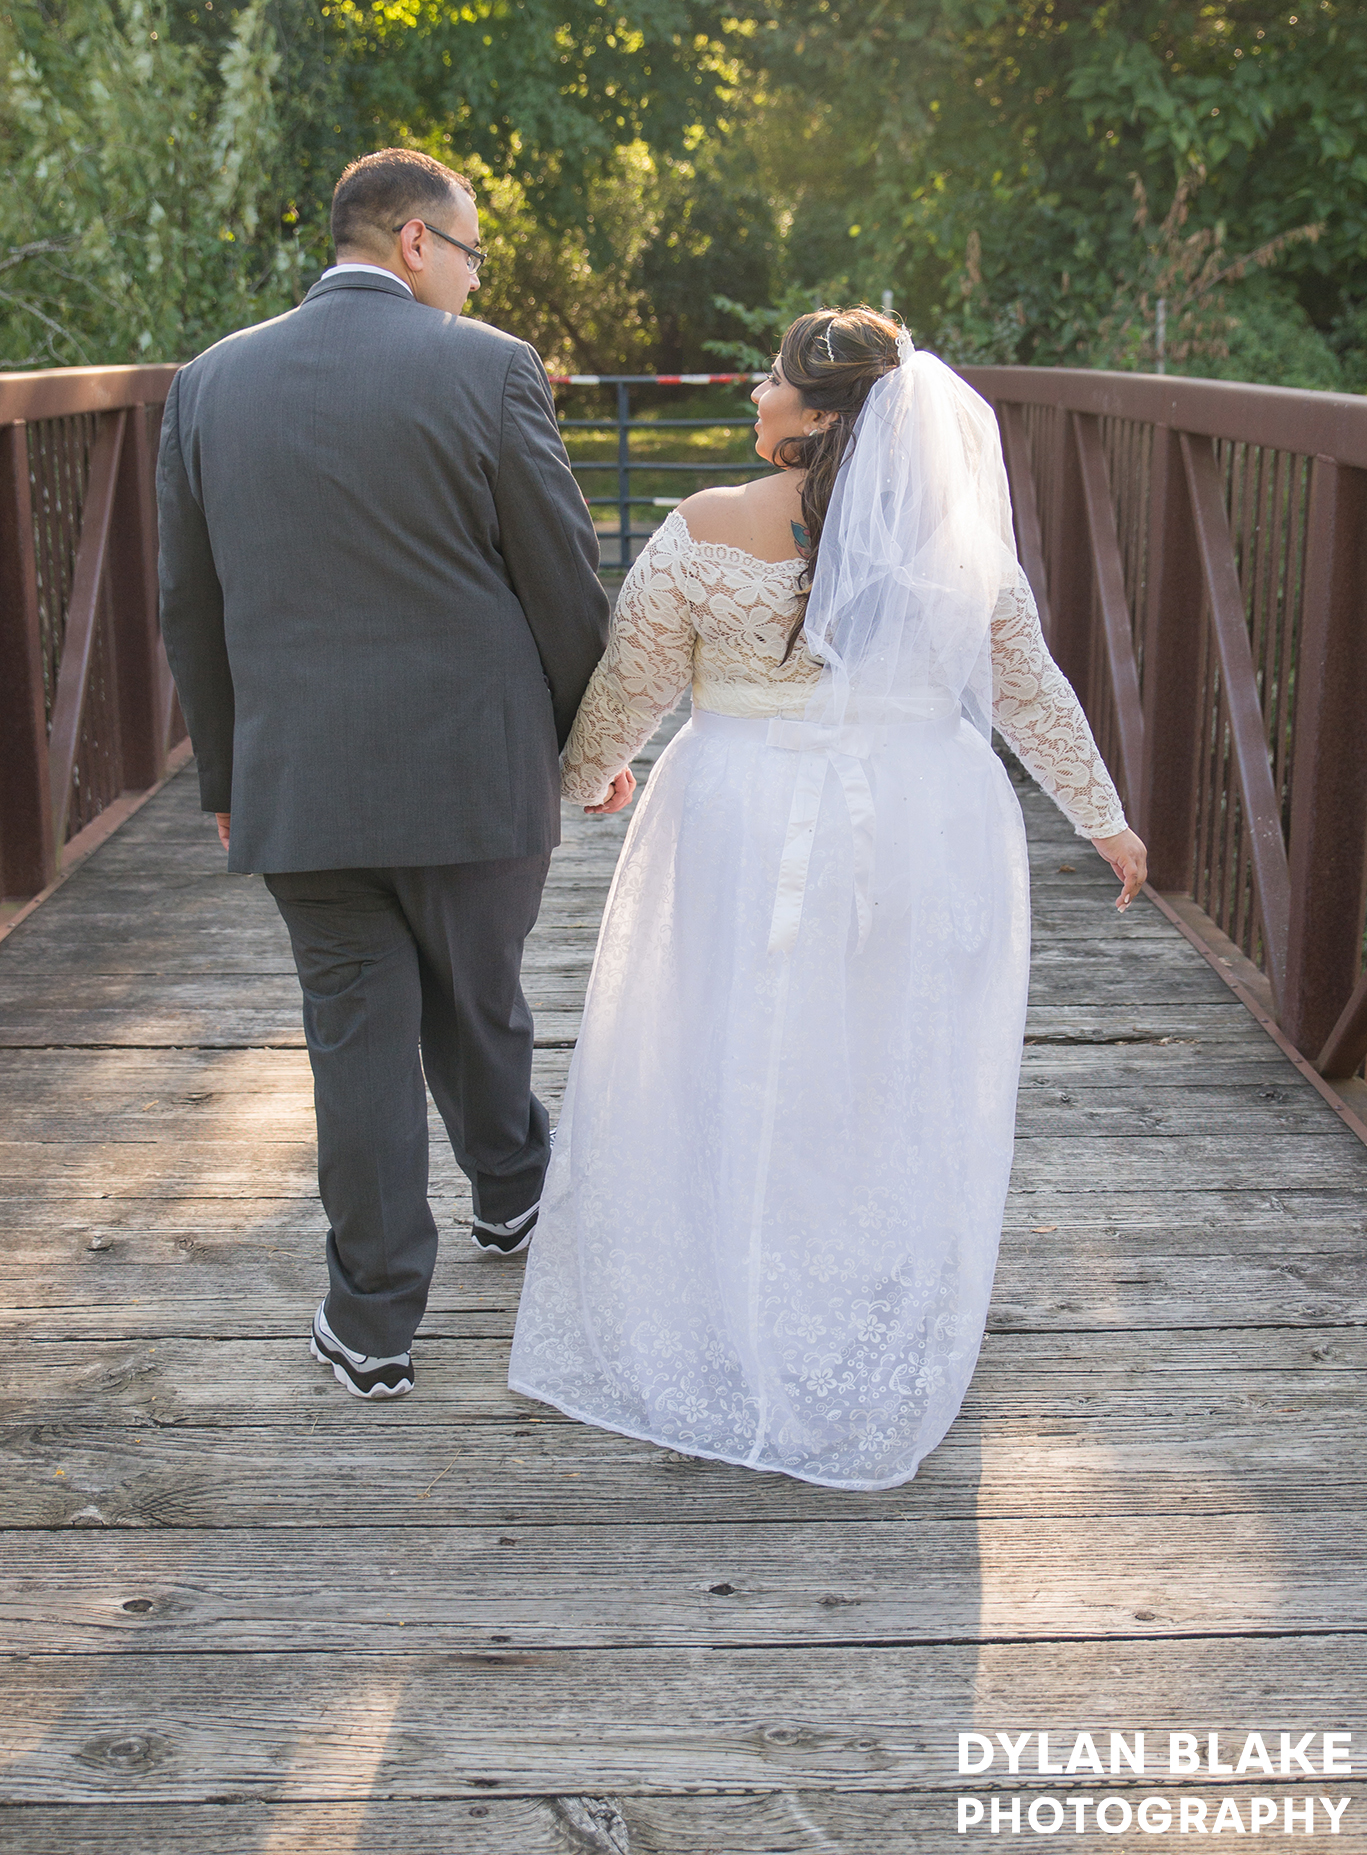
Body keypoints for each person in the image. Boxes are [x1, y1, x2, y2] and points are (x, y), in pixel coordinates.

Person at [508, 307, 1147, 1490]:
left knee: (731, 1034)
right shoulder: (950, 536)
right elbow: (1027, 685)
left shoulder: (703, 527)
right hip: (918, 825)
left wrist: (579, 777)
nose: (753, 391)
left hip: (745, 819)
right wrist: (1100, 814)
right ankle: (854, 1265)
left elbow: (627, 684)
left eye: (770, 379)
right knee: (873, 1050)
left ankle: (736, 1265)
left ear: (816, 416)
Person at [157, 148, 616, 1400]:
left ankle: (370, 1325)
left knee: (355, 1037)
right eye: (470, 253)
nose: (474, 279)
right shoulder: (486, 366)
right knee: (477, 993)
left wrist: (227, 779)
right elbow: (562, 578)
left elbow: (187, 607)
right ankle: (515, 1196)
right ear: (416, 241)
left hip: (298, 785)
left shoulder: (206, 384)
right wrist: (596, 736)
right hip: (471, 771)